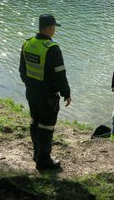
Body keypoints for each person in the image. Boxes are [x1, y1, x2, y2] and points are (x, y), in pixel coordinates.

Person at [19, 14, 72, 171]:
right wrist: (66, 93)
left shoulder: (27, 44)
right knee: (46, 127)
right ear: (50, 28)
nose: (54, 30)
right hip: (48, 97)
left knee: (35, 123)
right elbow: (60, 75)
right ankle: (44, 161)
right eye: (54, 27)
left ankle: (37, 154)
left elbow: (22, 71)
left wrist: (31, 85)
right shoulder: (52, 48)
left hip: (31, 93)